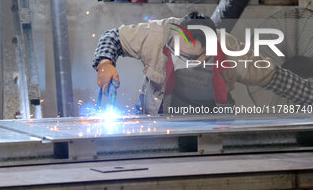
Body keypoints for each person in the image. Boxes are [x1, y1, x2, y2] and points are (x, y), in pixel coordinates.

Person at [93, 12, 313, 115]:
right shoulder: (155, 34)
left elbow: (274, 77)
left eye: (190, 58)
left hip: (211, 126)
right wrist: (105, 64)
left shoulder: (230, 50)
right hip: (159, 121)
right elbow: (112, 37)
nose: (181, 60)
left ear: (207, 52)